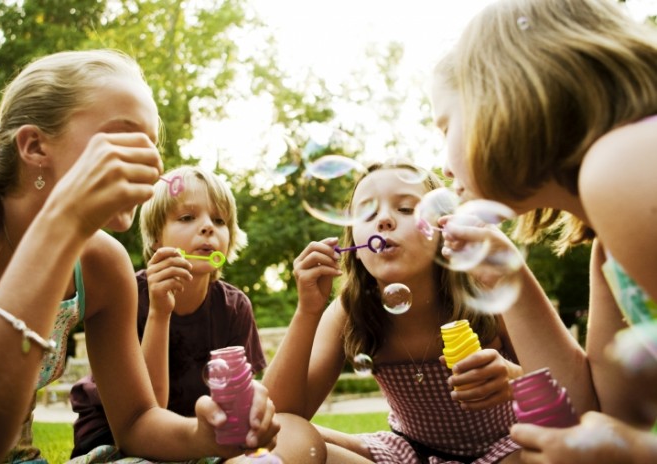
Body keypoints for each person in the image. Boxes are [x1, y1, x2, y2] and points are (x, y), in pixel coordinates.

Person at [0, 49, 279, 463]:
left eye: (150, 145)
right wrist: (63, 223)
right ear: (35, 146)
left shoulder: (103, 264)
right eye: (123, 138)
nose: (149, 162)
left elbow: (138, 421)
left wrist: (205, 435)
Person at [431, 0, 657, 461]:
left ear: (501, 98)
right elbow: (602, 411)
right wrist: (503, 273)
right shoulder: (607, 249)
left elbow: (627, 437)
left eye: (444, 125)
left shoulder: (626, 163)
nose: (442, 160)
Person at [262, 159, 525, 463]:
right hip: (408, 455)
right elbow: (275, 416)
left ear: (442, 230)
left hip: (508, 448)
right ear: (354, 244)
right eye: (368, 213)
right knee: (285, 434)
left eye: (405, 209)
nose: (384, 221)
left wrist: (516, 379)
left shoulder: (487, 291)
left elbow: (569, 390)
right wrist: (307, 311)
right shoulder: (350, 311)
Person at [70, 165, 326, 463]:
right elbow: (145, 415)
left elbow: (243, 402)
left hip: (200, 441)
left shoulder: (233, 306)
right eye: (187, 217)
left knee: (300, 434)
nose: (208, 227)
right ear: (155, 238)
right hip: (119, 441)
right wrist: (159, 312)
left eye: (219, 220)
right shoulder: (129, 293)